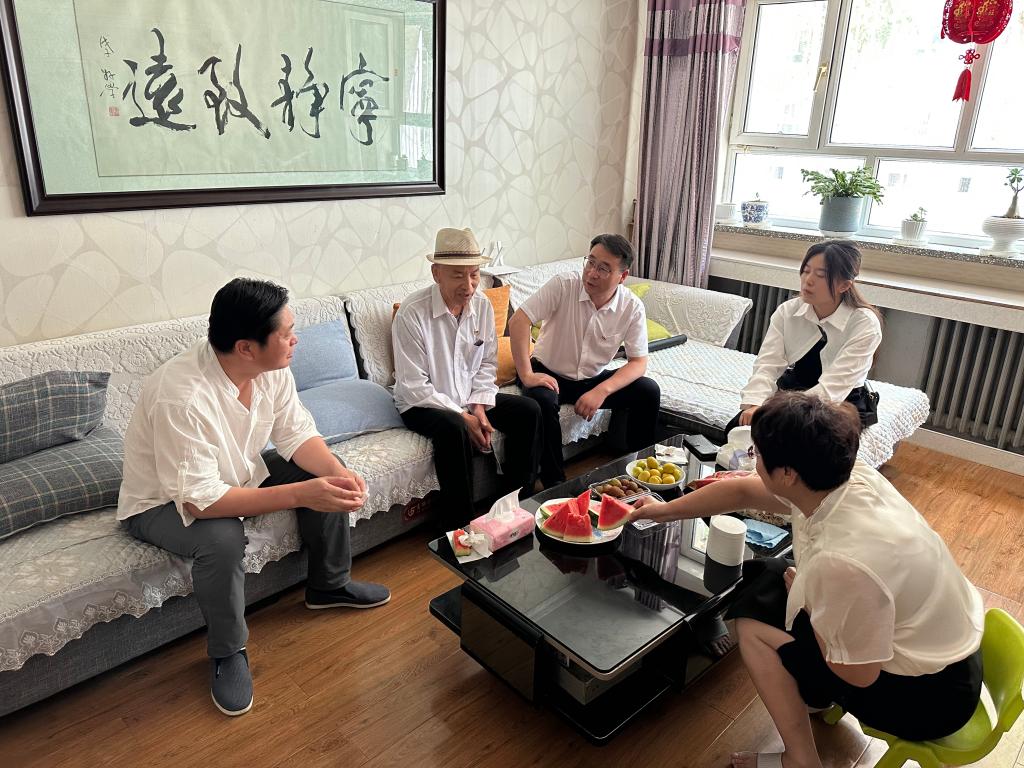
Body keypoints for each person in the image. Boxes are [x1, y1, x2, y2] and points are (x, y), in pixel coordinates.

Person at [632, 392, 983, 768]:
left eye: (757, 454)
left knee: (752, 620)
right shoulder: (844, 475)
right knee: (768, 576)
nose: (753, 461)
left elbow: (859, 675)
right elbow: (741, 490)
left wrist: (814, 607)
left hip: (928, 699)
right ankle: (815, 697)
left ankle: (801, 759)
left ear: (788, 474)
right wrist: (662, 510)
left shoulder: (840, 560)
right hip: (947, 653)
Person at [117, 278, 390, 717]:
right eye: (287, 333)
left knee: (326, 474)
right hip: (161, 502)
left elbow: (295, 433)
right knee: (222, 537)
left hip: (236, 475)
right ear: (246, 347)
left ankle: (329, 585)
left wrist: (338, 475)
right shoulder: (180, 396)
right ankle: (228, 652)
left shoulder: (272, 368)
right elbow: (201, 502)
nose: (296, 340)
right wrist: (301, 493)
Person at [393, 227, 542, 531]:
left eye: (474, 275)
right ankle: (460, 526)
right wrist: (464, 416)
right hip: (423, 403)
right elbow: (414, 385)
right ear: (436, 273)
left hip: (468, 397)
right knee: (453, 428)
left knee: (529, 411)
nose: (469, 285)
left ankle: (513, 504)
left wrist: (479, 406)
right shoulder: (412, 313)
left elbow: (486, 363)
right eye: (458, 275)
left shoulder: (482, 305)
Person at [508, 234, 661, 487]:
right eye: (590, 262)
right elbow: (519, 321)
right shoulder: (563, 285)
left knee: (648, 390)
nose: (592, 273)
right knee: (543, 402)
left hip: (592, 380)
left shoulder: (631, 307)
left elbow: (638, 363)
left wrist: (601, 391)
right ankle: (555, 484)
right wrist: (526, 375)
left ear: (622, 276)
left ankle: (640, 473)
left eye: (603, 268)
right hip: (547, 373)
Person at [727, 240, 882, 435]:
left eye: (821, 275)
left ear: (844, 285)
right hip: (796, 388)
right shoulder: (788, 311)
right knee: (737, 430)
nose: (808, 280)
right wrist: (755, 404)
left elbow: (834, 388)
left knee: (796, 440)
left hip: (841, 400)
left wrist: (782, 414)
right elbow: (767, 364)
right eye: (806, 271)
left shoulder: (864, 323)